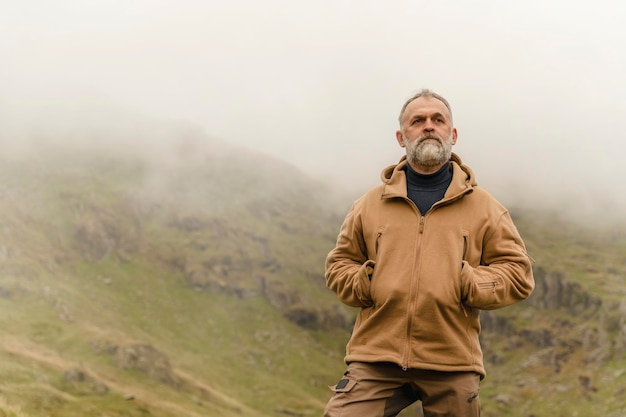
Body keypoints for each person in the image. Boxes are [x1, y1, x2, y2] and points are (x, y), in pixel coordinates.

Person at [323, 89, 535, 417]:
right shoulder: (368, 204)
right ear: (400, 136)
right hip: (376, 357)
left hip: (452, 361)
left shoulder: (487, 209)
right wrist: (369, 281)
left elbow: (518, 274)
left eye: (438, 120)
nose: (428, 126)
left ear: (453, 134)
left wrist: (468, 283)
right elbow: (339, 264)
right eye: (417, 120)